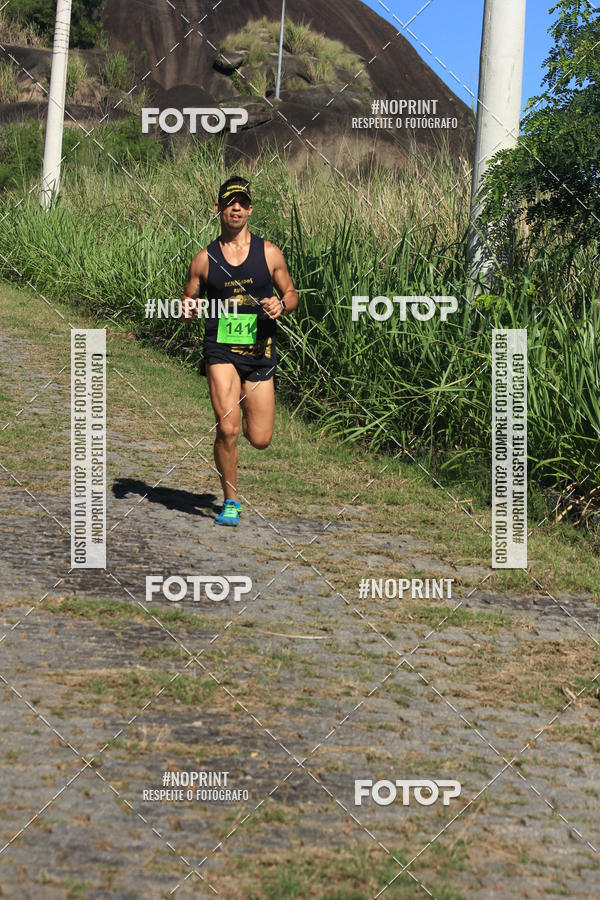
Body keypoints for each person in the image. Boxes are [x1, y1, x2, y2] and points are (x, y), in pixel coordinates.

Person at [181, 176, 298, 526]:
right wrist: (187, 308)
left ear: (250, 209)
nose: (236, 207)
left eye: (243, 202)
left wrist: (281, 305)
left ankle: (242, 408)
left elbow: (291, 293)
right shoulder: (204, 259)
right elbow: (189, 297)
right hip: (221, 350)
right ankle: (231, 500)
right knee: (228, 428)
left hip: (260, 350)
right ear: (218, 208)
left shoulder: (269, 253)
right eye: (230, 202)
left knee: (260, 439)